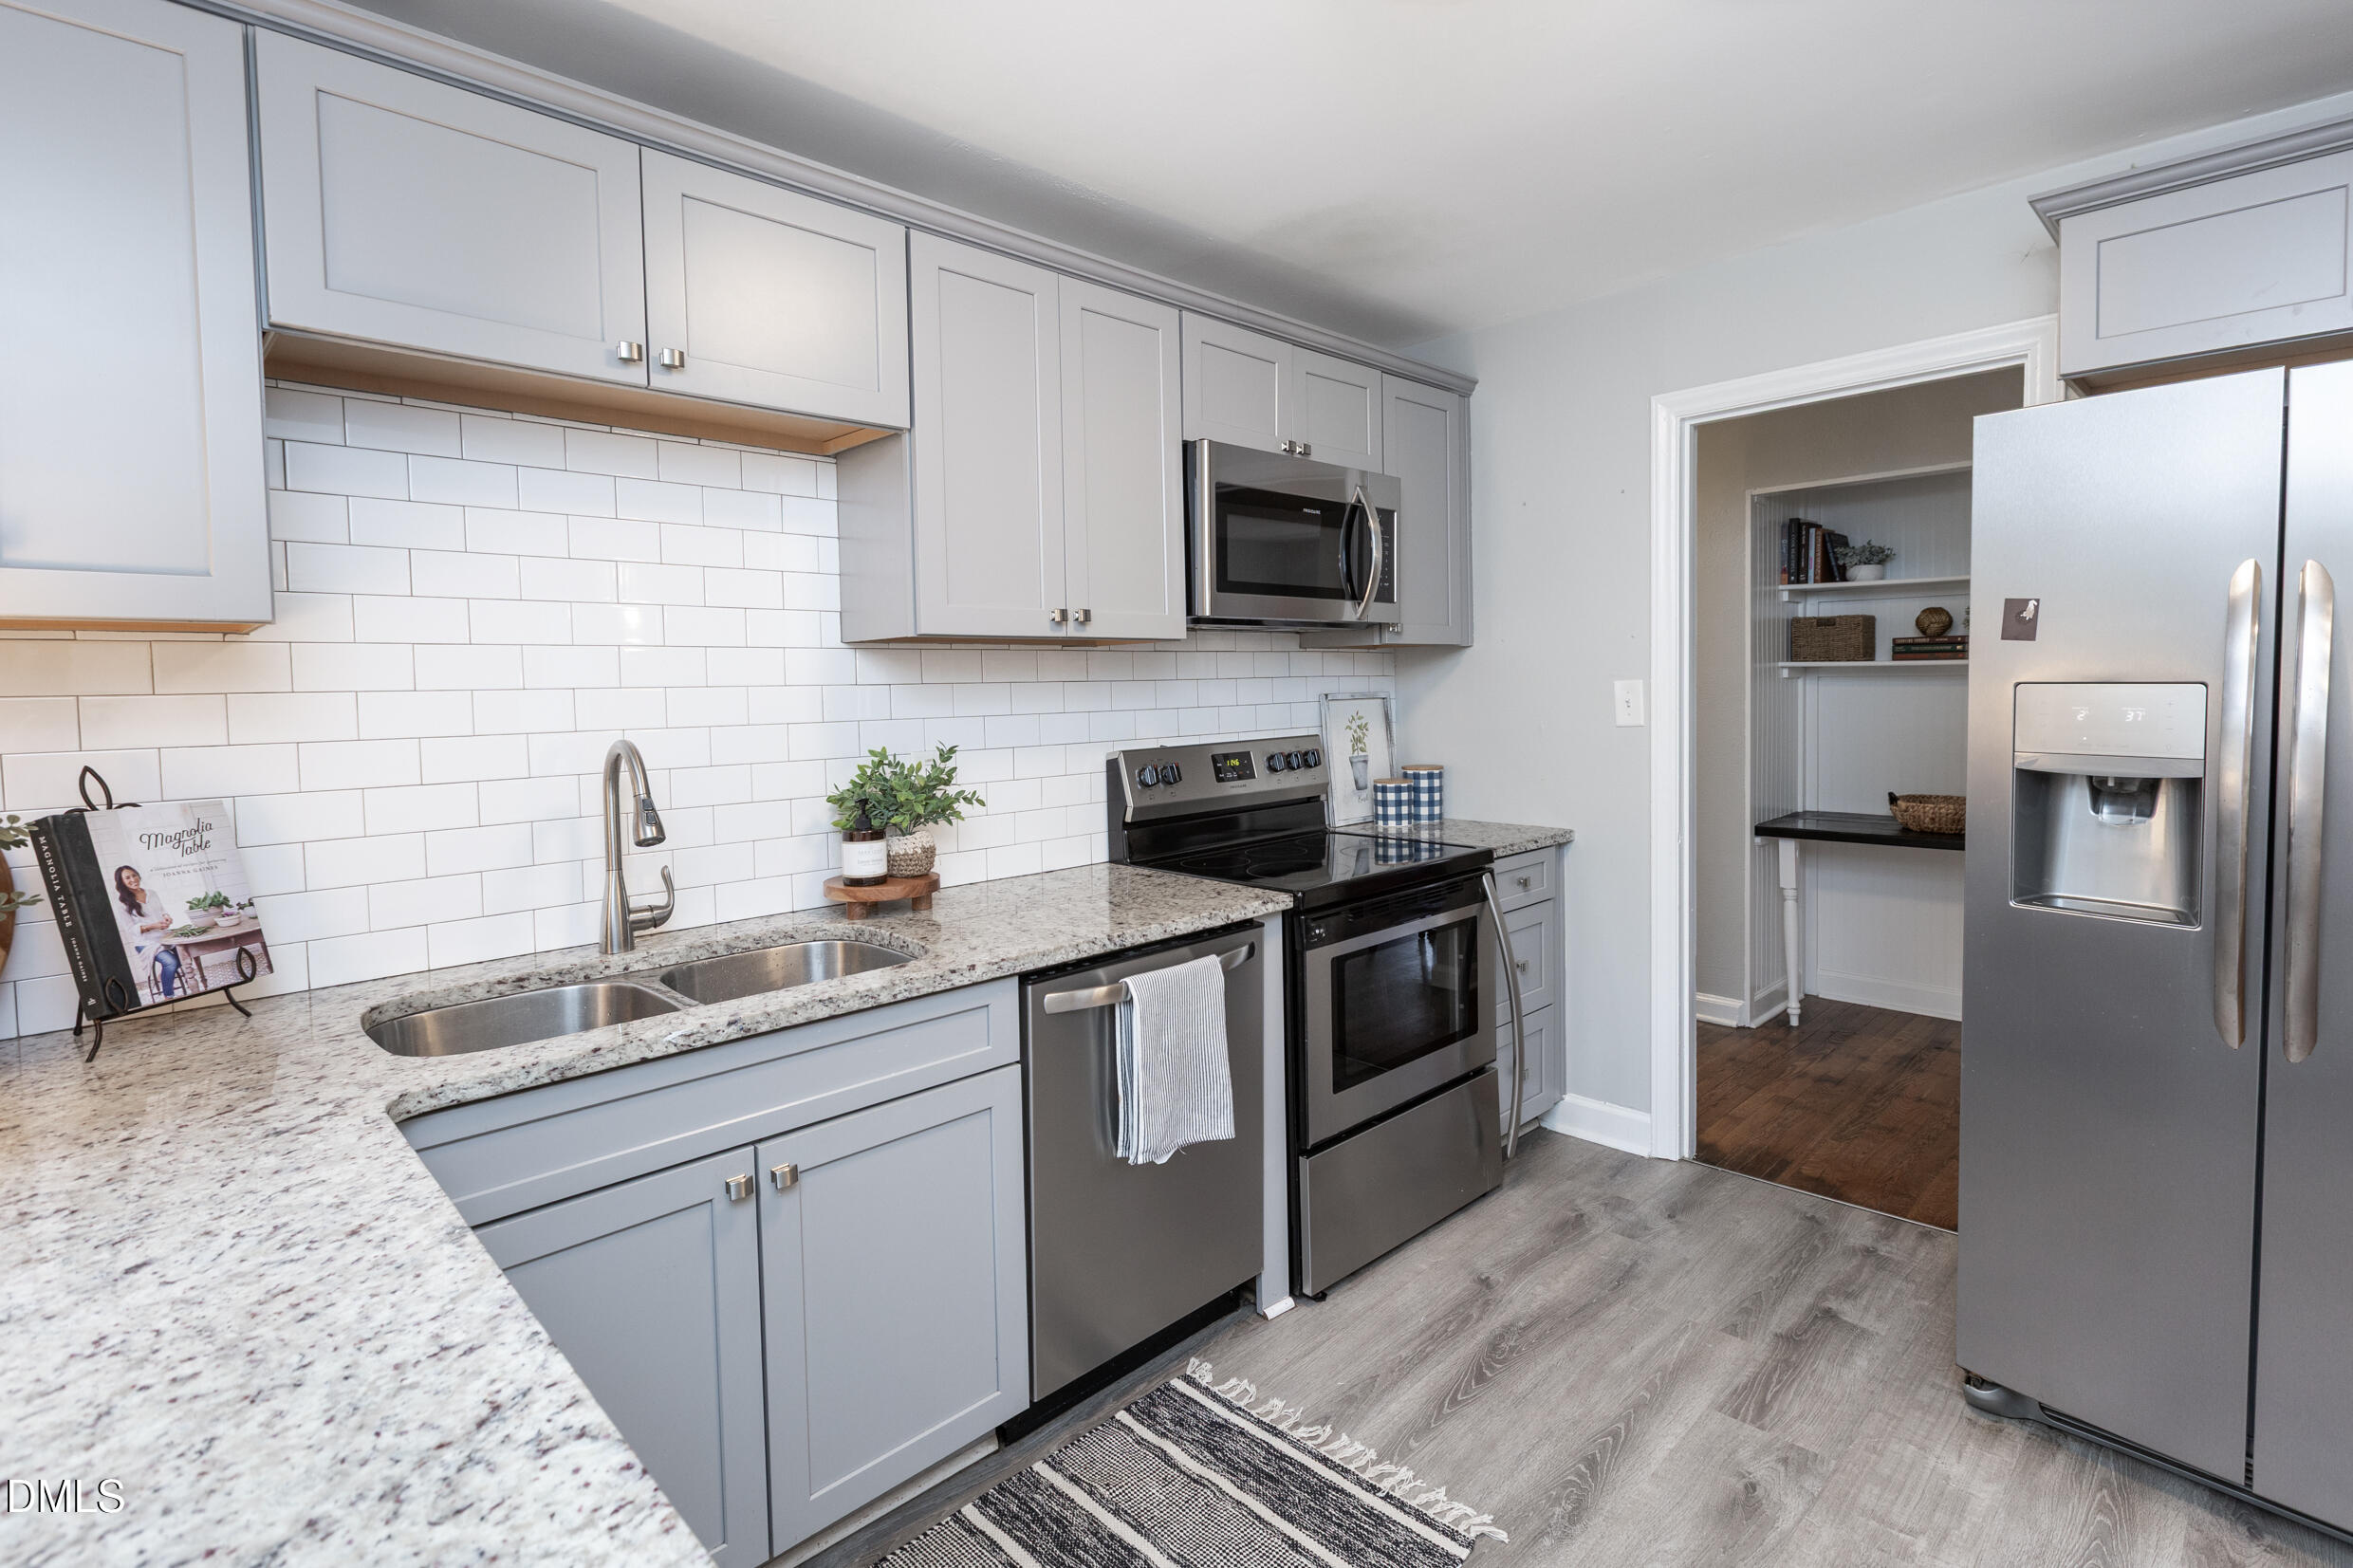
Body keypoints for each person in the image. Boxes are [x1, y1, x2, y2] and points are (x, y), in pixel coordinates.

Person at [113, 865, 181, 1001]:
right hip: (146, 943)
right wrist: (152, 926)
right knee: (171, 963)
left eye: (134, 875)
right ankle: (169, 996)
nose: (133, 879)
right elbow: (131, 929)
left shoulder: (151, 893)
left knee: (187, 955)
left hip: (165, 937)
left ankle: (163, 976)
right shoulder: (121, 904)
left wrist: (166, 917)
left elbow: (162, 910)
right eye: (127, 878)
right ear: (122, 882)